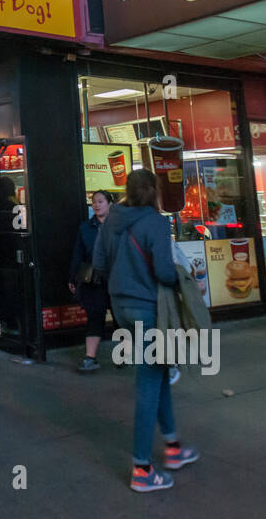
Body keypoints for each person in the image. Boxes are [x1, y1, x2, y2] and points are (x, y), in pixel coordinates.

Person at [92, 169, 198, 493]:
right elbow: (165, 271)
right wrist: (182, 278)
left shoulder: (111, 219)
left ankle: (173, 446)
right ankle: (141, 468)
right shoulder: (155, 222)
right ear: (153, 191)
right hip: (147, 309)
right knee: (149, 382)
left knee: (159, 373)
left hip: (120, 307)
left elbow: (98, 264)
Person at [68, 190, 113, 372]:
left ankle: (127, 354)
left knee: (122, 318)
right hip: (94, 280)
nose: (96, 205)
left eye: (101, 201)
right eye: (94, 202)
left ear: (110, 204)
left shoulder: (118, 226)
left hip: (117, 278)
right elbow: (77, 254)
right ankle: (90, 357)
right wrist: (72, 277)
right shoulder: (85, 228)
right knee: (95, 316)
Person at [0, 176, 21, 335]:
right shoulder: (16, 205)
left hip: (4, 257)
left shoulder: (0, 205)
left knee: (6, 291)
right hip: (15, 256)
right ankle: (16, 322)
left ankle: (9, 323)